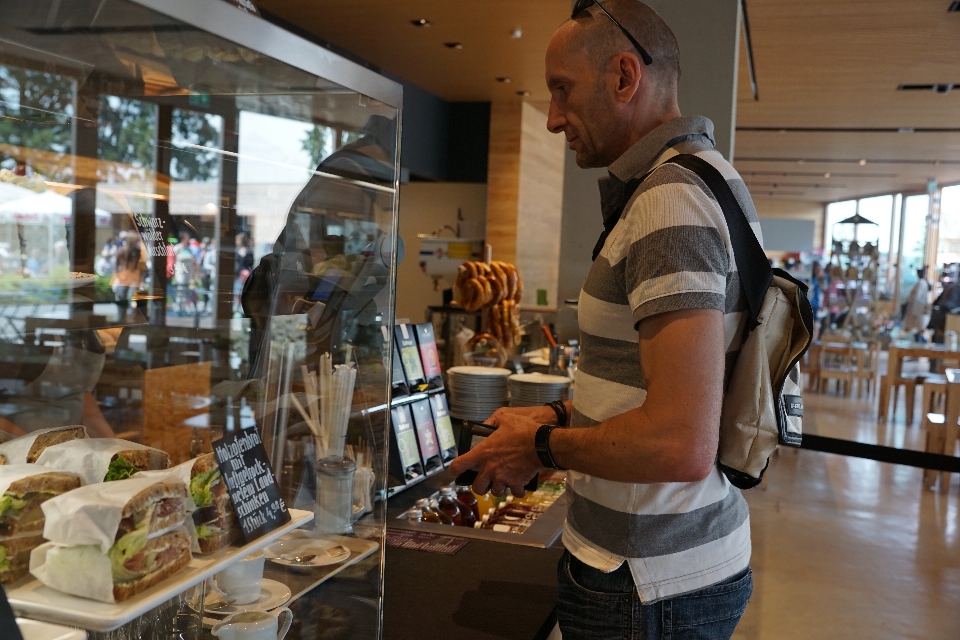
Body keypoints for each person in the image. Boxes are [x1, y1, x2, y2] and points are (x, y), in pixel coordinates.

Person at [449, 2, 754, 638]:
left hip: (645, 583)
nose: (555, 118)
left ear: (623, 76)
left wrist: (538, 446)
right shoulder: (704, 180)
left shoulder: (670, 200)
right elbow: (662, 394)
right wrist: (559, 416)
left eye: (563, 89)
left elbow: (680, 442)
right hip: (661, 573)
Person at [903, 267, 930, 341]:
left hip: (917, 309)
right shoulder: (922, 282)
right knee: (915, 328)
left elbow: (916, 297)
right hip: (916, 308)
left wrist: (909, 299)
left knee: (917, 328)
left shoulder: (921, 283)